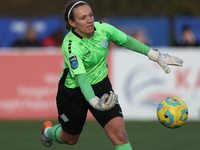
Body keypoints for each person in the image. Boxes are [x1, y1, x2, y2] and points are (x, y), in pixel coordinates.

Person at [40, 1, 183, 150]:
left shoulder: (104, 29)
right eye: (83, 18)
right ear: (72, 23)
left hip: (101, 87)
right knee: (70, 139)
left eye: (90, 15)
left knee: (119, 134)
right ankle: (48, 132)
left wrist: (154, 54)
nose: (89, 20)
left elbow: (127, 41)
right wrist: (95, 102)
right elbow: (81, 78)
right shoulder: (70, 45)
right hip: (73, 93)